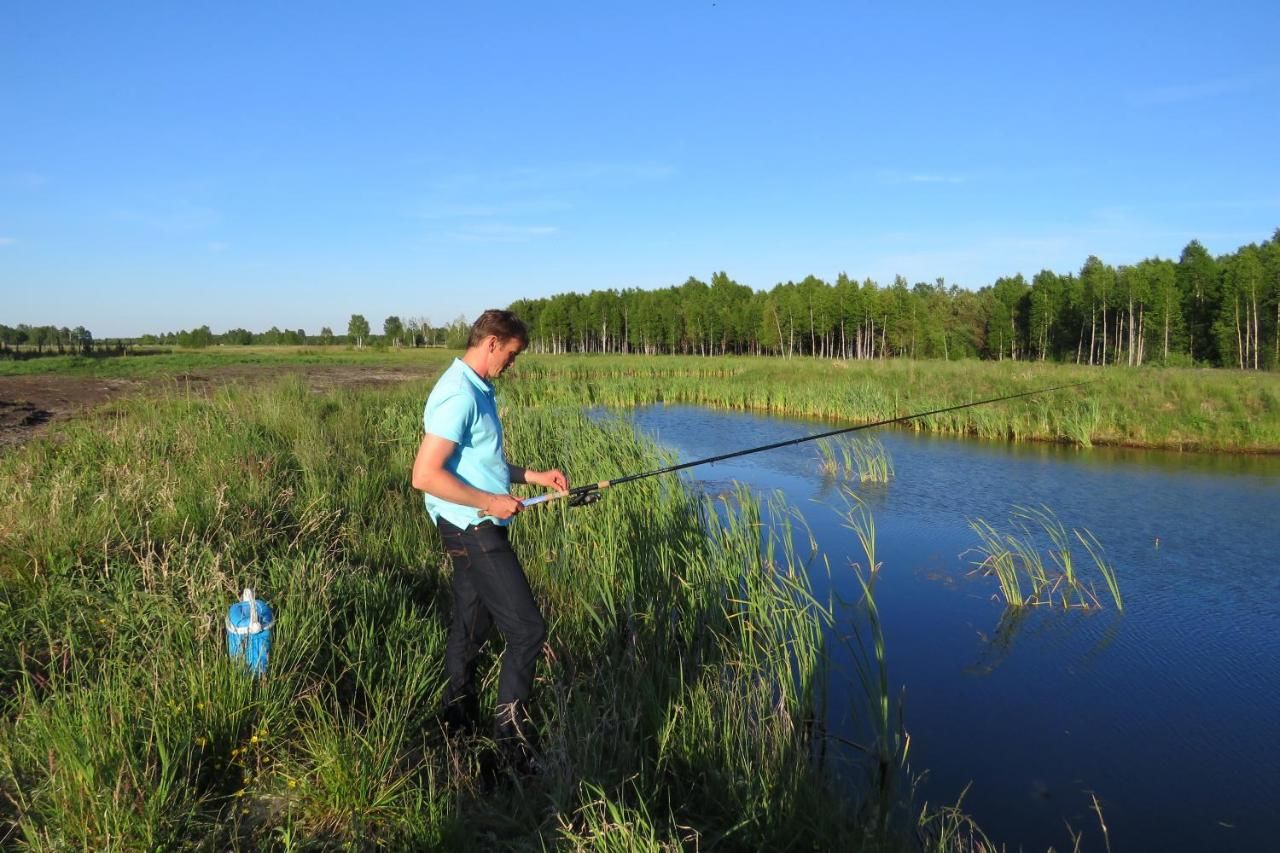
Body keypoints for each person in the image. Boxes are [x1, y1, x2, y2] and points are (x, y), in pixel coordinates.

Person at [410, 309, 567, 767]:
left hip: (469, 523)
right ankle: (511, 751)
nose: (512, 364)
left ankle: (453, 724)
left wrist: (532, 476)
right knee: (528, 631)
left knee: (472, 626)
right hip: (473, 527)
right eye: (512, 354)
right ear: (493, 343)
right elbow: (424, 475)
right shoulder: (459, 395)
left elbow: (479, 463)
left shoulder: (477, 388)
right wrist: (489, 502)